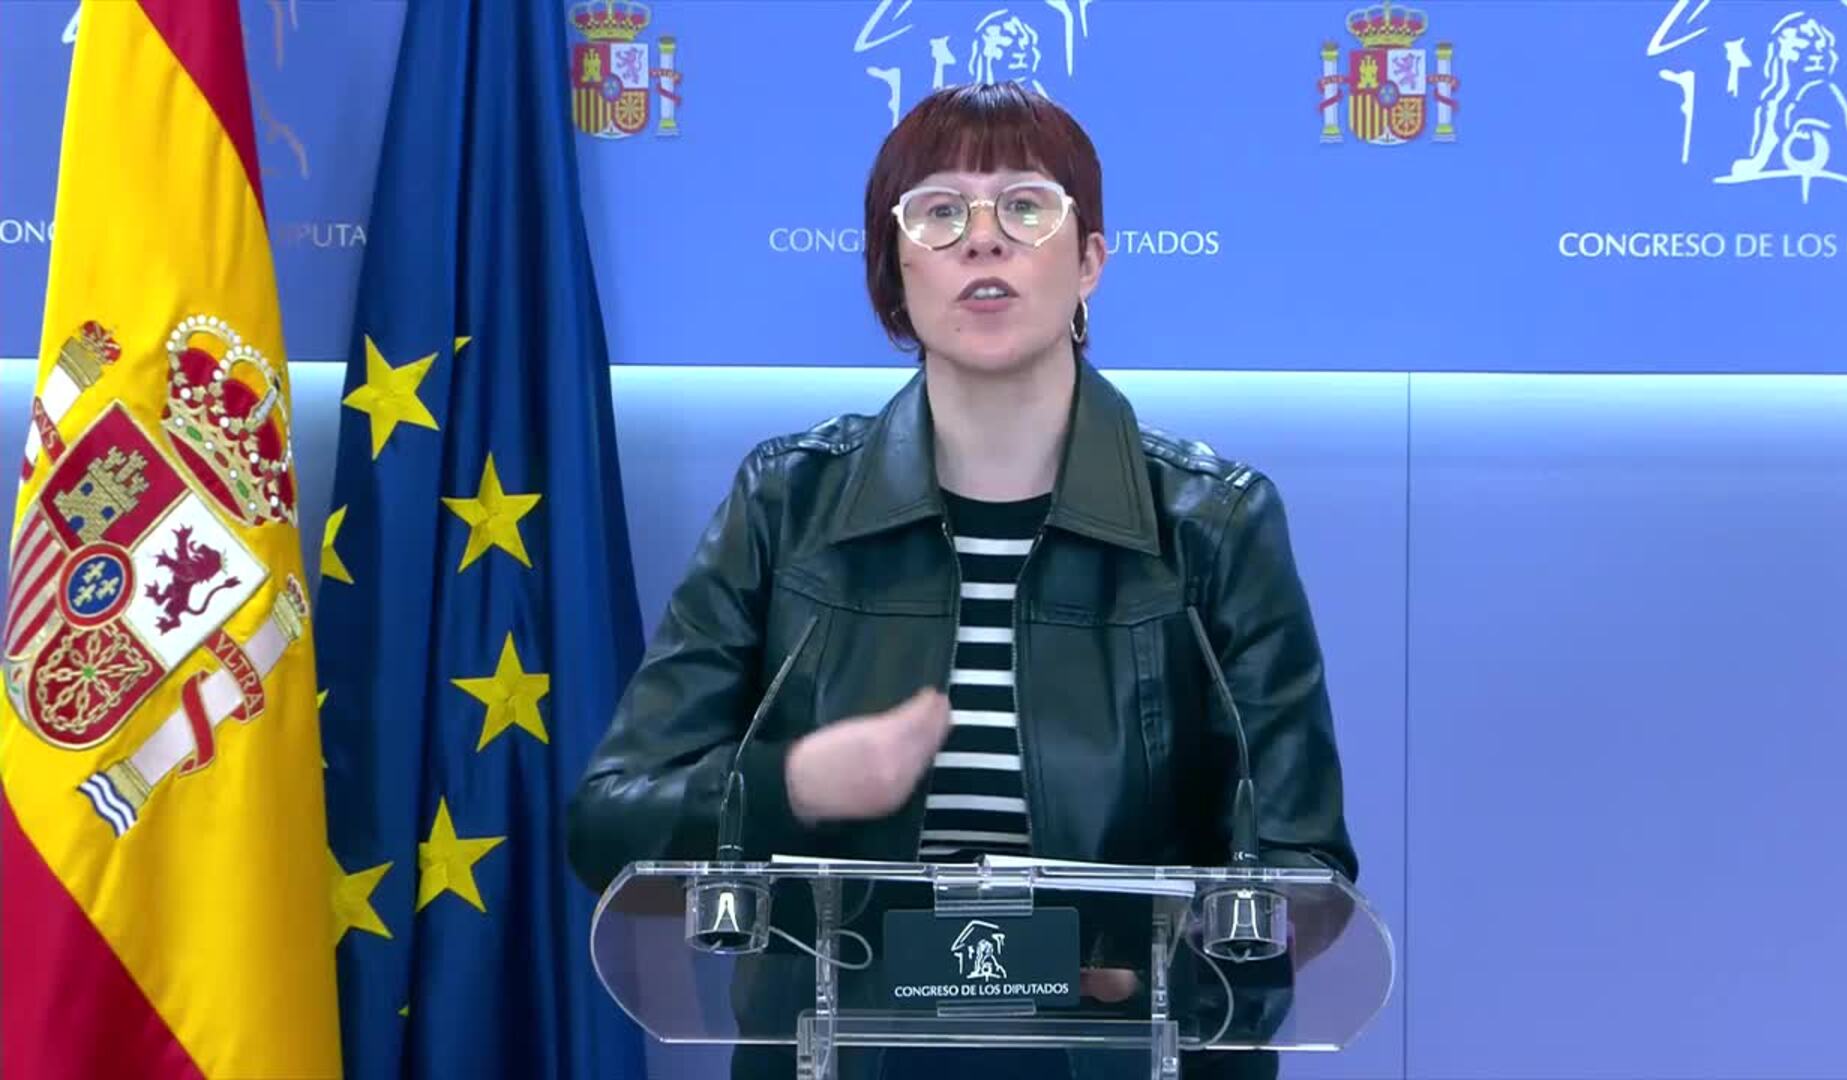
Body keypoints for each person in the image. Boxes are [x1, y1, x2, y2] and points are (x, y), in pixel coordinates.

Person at [566, 82, 1357, 1080]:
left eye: (1026, 207)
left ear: (1090, 261)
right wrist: (791, 784)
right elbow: (609, 823)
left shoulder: (1214, 523)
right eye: (939, 213)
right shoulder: (787, 504)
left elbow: (1304, 874)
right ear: (895, 272)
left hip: (1121, 1057)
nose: (983, 239)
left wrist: (1149, 977)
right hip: (843, 1057)